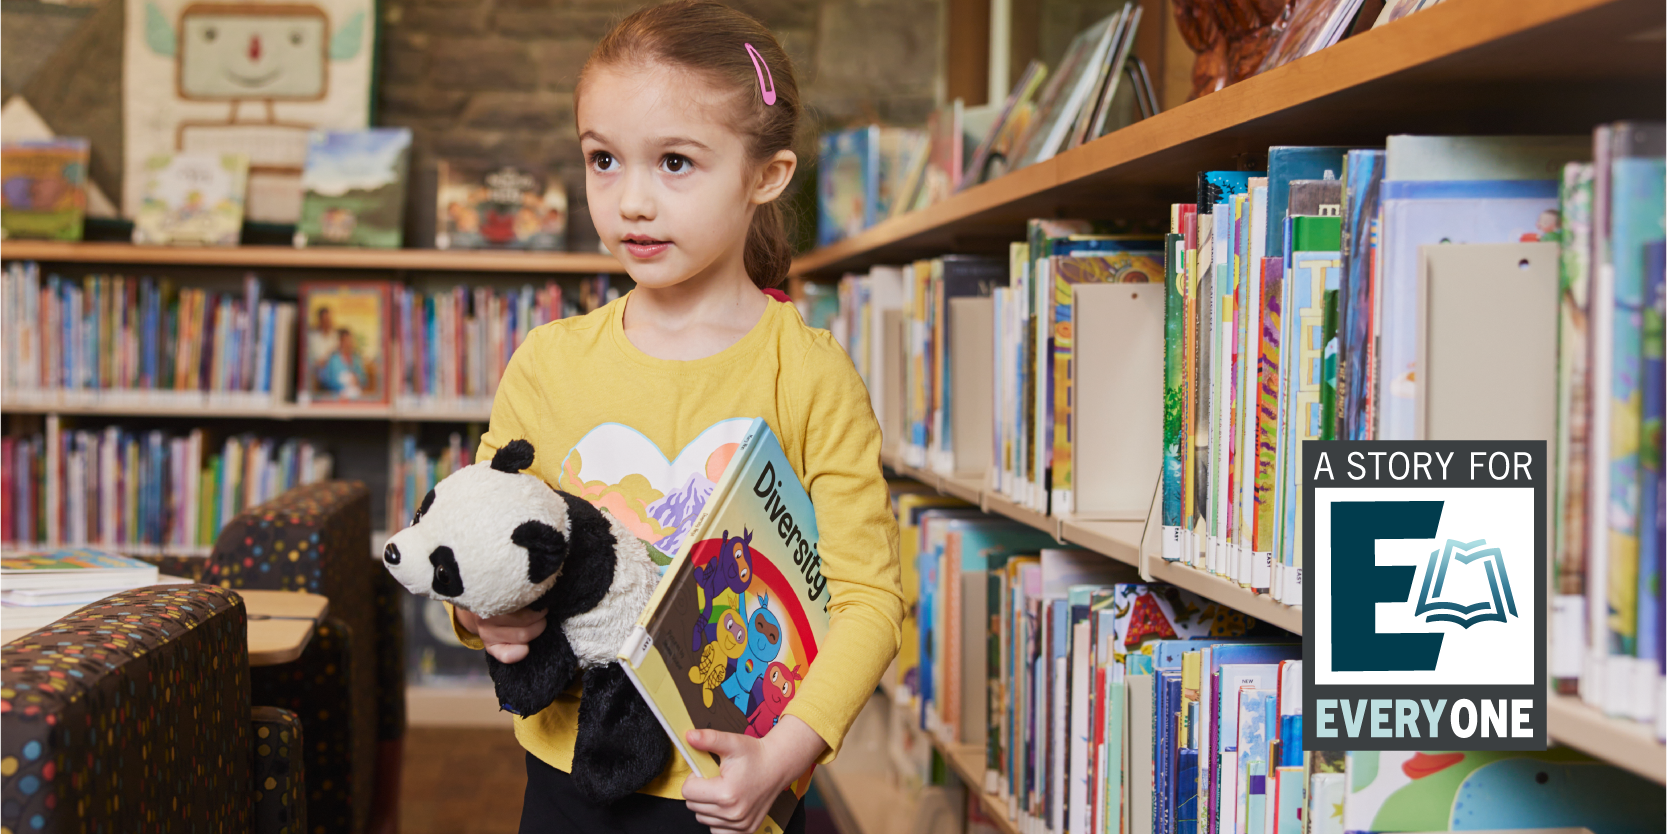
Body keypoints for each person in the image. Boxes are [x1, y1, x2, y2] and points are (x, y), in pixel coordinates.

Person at [448, 3, 902, 832]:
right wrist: (484, 614)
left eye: (677, 163)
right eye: (604, 159)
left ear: (766, 175)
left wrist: (790, 751)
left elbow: (869, 600)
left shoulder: (809, 374)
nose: (632, 201)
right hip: (564, 775)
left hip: (734, 782)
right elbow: (483, 534)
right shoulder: (548, 363)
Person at [319, 328, 368, 398]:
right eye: (346, 341)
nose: (349, 344)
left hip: (356, 397)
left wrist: (357, 380)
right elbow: (327, 381)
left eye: (350, 341)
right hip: (337, 397)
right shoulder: (333, 360)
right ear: (340, 342)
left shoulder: (357, 359)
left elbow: (364, 380)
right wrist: (342, 386)